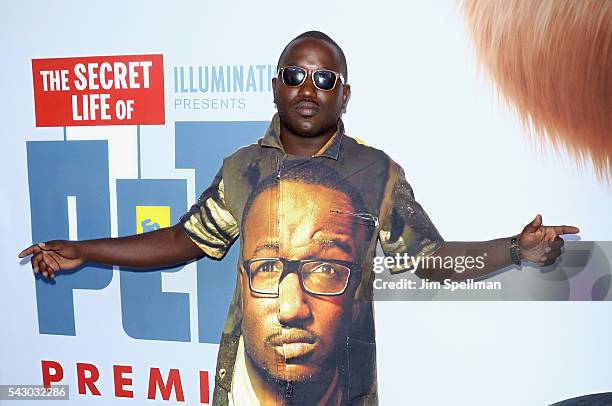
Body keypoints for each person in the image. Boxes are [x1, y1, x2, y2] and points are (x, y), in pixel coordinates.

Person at [19, 31, 580, 405]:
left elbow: (428, 262)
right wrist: (85, 249)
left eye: (325, 79)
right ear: (276, 87)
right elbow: (186, 240)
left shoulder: (374, 173)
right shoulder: (243, 169)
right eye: (295, 75)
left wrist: (514, 248)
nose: (308, 89)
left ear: (345, 95)